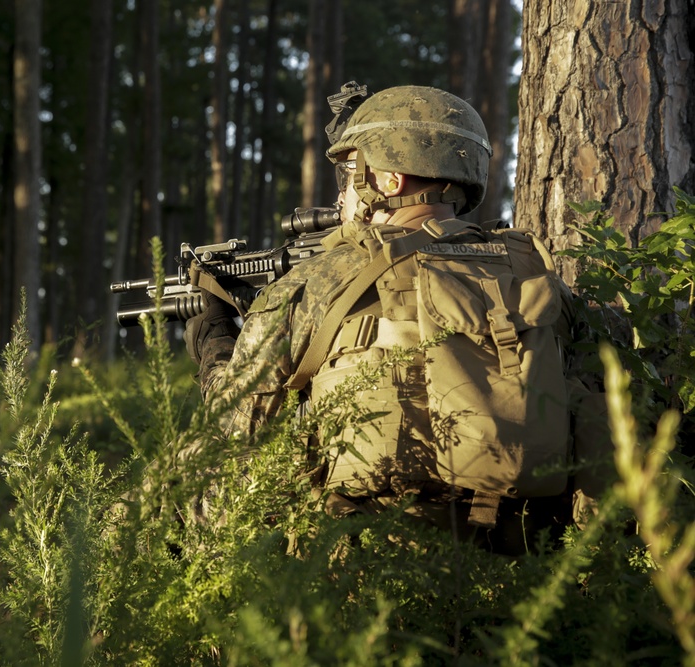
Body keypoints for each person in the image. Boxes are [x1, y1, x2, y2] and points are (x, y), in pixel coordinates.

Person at [183, 85, 583, 554]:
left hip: (362, 570)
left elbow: (229, 450)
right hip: (523, 562)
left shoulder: (320, 280)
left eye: (351, 173)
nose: (341, 197)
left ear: (389, 182)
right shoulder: (541, 280)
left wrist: (215, 354)